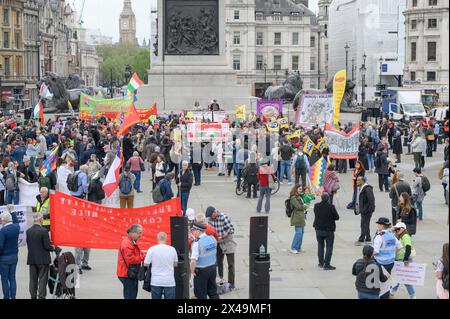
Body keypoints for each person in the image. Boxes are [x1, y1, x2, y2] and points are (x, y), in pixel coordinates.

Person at [206, 206, 236, 290]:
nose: (211, 218)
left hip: (227, 242)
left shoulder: (224, 217)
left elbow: (231, 230)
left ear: (214, 212)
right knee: (219, 263)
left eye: (211, 215)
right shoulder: (210, 220)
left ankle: (231, 282)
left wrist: (222, 236)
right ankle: (220, 281)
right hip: (218, 243)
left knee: (231, 264)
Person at [372, 217, 402, 299]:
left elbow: (375, 251)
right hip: (390, 263)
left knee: (379, 282)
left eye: (378, 224)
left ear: (382, 226)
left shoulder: (379, 236)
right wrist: (392, 254)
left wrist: (368, 256)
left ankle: (381, 296)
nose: (377, 225)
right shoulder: (392, 235)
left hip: (380, 263)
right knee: (386, 281)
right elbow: (400, 247)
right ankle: (386, 295)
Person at [26, 212, 54, 299]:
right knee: (42, 280)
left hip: (32, 259)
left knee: (33, 279)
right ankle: (42, 296)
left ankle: (33, 296)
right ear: (40, 219)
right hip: (43, 260)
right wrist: (52, 247)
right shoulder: (44, 231)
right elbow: (47, 246)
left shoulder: (28, 231)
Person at [144, 232, 178, 300]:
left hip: (156, 280)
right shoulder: (172, 249)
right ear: (166, 238)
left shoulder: (152, 249)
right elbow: (175, 264)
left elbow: (146, 264)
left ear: (157, 239)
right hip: (169, 281)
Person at [190, 222, 219, 300]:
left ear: (198, 231)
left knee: (200, 295)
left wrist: (192, 271)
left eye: (194, 230)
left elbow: (193, 261)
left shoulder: (197, 243)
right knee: (213, 293)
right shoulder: (212, 238)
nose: (193, 232)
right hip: (213, 268)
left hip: (201, 271)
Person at [117, 224, 145, 300]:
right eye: (139, 233)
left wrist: (144, 254)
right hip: (127, 274)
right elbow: (132, 260)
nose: (140, 235)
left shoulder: (131, 241)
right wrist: (144, 257)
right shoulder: (127, 244)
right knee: (130, 296)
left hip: (129, 273)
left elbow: (137, 253)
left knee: (131, 294)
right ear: (133, 232)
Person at [313, 193, 340, 270]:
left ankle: (321, 262)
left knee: (320, 245)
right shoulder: (331, 207)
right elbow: (337, 217)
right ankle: (327, 264)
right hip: (328, 230)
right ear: (328, 199)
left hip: (318, 229)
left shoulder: (316, 206)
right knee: (329, 247)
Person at [390, 222, 416, 299]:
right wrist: (393, 230)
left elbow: (408, 247)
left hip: (404, 261)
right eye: (396, 229)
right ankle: (392, 291)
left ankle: (413, 295)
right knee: (397, 278)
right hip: (400, 261)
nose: (396, 230)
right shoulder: (400, 236)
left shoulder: (405, 236)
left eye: (398, 229)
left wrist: (405, 259)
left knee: (405, 280)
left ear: (403, 229)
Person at [0, 212, 20, 299]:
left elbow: (0, 246)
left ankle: (6, 297)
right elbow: (16, 221)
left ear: (4, 220)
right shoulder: (16, 227)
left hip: (4, 258)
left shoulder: (3, 231)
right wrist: (12, 212)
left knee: (4, 279)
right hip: (14, 256)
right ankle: (13, 296)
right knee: (12, 278)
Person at [355, 176, 375, 245]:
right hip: (363, 210)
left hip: (366, 210)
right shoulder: (361, 188)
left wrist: (369, 210)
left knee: (364, 224)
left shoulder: (367, 189)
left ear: (363, 181)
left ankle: (362, 238)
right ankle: (368, 237)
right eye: (357, 180)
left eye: (359, 180)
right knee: (365, 224)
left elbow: (371, 200)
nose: (357, 182)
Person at [289, 185, 306, 254]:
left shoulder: (299, 196)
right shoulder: (293, 198)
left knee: (301, 233)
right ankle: (293, 247)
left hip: (301, 216)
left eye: (301, 189)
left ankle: (298, 247)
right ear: (295, 189)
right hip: (297, 217)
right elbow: (298, 207)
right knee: (298, 233)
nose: (300, 190)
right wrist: (305, 206)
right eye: (299, 189)